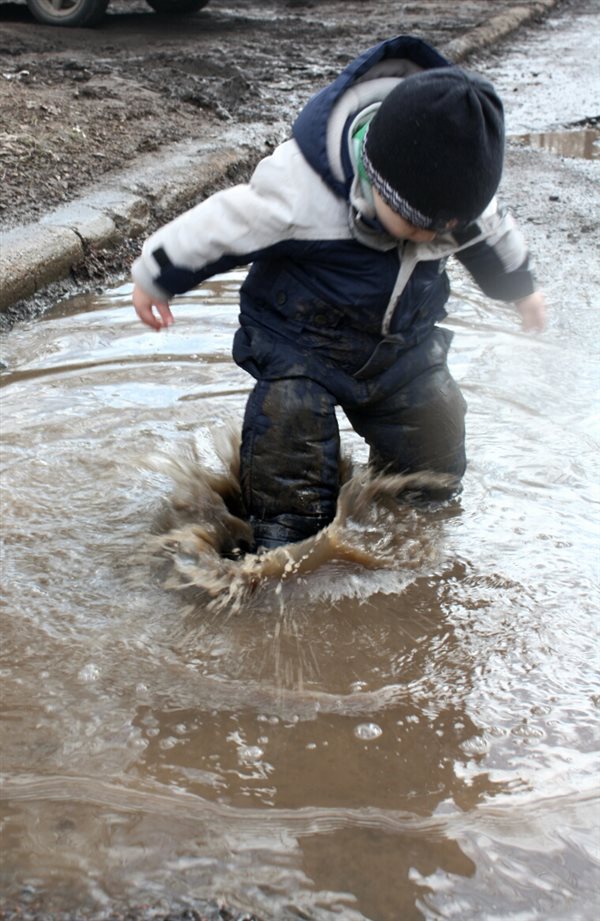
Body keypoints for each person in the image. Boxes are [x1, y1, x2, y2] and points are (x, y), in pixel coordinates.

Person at [131, 35, 546, 551]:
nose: (432, 236)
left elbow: (493, 235)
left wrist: (520, 289)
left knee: (436, 432)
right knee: (290, 436)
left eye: (448, 228)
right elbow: (220, 226)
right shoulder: (300, 190)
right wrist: (157, 274)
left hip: (403, 351)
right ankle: (283, 541)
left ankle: (410, 517)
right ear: (375, 176)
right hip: (300, 345)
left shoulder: (452, 200)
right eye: (418, 224)